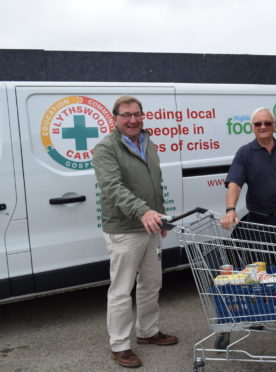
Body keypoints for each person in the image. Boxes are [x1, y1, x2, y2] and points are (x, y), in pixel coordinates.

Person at [93, 95, 177, 368]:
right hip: (125, 229)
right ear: (115, 118)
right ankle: (119, 345)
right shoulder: (105, 148)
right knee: (121, 290)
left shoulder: (147, 142)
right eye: (126, 115)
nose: (132, 120)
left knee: (152, 283)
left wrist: (158, 217)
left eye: (137, 114)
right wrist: (143, 212)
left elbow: (155, 183)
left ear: (142, 116)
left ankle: (148, 331)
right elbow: (112, 187)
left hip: (150, 226)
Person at [220, 107, 276, 266]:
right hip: (260, 224)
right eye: (258, 123)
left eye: (267, 123)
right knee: (263, 269)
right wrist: (230, 210)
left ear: (274, 125)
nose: (263, 126)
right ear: (252, 127)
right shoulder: (245, 153)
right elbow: (235, 184)